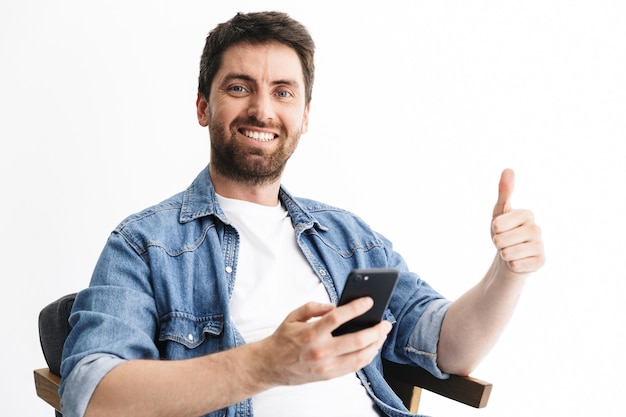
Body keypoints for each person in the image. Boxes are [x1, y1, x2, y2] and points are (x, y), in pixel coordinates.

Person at [59, 11, 545, 417]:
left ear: (305, 116)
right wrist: (265, 364)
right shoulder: (144, 243)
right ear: (204, 106)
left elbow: (446, 347)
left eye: (283, 92)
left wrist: (506, 274)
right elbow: (93, 394)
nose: (263, 110)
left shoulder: (348, 238)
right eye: (239, 87)